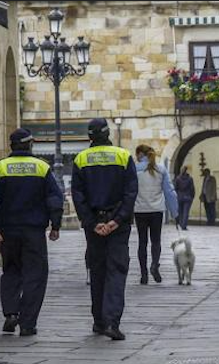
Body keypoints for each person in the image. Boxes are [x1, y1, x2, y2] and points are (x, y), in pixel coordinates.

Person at [0, 128, 64, 337]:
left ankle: (11, 313)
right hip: (33, 232)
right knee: (35, 275)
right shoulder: (41, 167)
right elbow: (54, 199)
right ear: (30, 144)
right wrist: (55, 225)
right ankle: (27, 323)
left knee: (10, 270)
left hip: (7, 231)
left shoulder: (0, 168)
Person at [71, 118, 138, 341]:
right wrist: (116, 221)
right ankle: (112, 321)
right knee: (116, 271)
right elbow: (131, 193)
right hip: (118, 226)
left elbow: (78, 196)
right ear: (109, 133)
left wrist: (92, 223)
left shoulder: (81, 159)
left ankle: (99, 321)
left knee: (97, 271)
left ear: (89, 136)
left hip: (94, 227)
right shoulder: (123, 156)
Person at [134, 144, 179, 285]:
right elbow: (169, 192)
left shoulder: (134, 170)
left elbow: (129, 191)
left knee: (142, 242)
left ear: (140, 154)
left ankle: (144, 274)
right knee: (156, 241)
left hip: (140, 210)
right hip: (156, 210)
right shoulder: (161, 169)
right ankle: (154, 264)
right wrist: (175, 212)